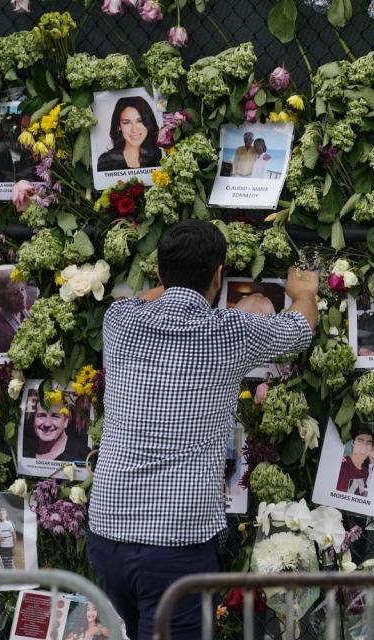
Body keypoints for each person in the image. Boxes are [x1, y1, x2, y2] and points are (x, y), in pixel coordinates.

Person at [88, 220, 318, 640]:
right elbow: (299, 330)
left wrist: (175, 283)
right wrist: (304, 292)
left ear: (158, 272)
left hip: (109, 530)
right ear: (219, 275)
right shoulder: (230, 332)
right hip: (177, 540)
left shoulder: (119, 320)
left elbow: (149, 298)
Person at [96, 97, 162, 172]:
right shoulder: (106, 161)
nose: (134, 129)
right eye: (126, 122)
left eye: (140, 121)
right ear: (119, 126)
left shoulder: (161, 156)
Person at [23, 391, 90, 463]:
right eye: (41, 415)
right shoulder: (25, 453)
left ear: (66, 421)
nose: (47, 424)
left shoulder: (81, 455)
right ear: (34, 420)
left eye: (55, 416)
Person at [336, 422, 374, 496]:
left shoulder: (366, 472)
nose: (364, 448)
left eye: (369, 443)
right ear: (353, 443)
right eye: (360, 442)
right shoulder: (341, 464)